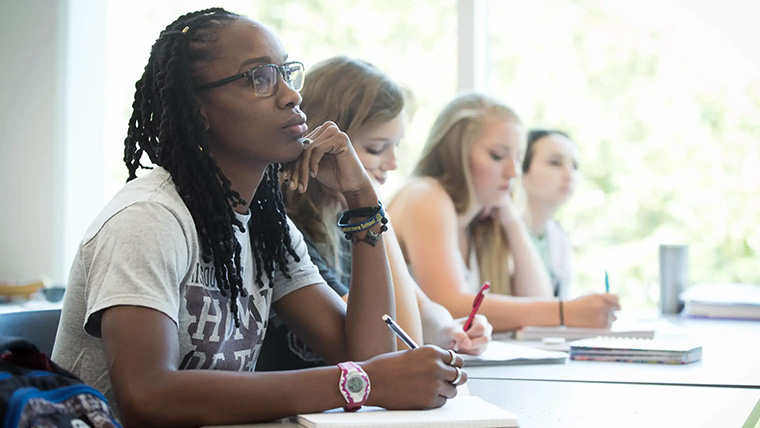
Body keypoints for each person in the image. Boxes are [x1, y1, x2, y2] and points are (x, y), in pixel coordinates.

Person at [51, 9, 465, 427]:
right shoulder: (149, 220)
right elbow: (147, 396)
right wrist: (359, 382)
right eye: (261, 78)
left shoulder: (268, 229)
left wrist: (361, 200)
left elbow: (367, 353)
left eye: (287, 73)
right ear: (199, 111)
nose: (291, 95)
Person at [257, 57, 491, 371]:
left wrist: (450, 330)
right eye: (376, 148)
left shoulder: (342, 213)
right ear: (326, 145)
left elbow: (421, 310)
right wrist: (369, 204)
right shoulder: (291, 227)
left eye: (395, 146)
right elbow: (398, 342)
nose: (392, 163)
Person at [388, 93, 620, 332]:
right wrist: (565, 312)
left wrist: (512, 223)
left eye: (518, 158)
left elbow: (539, 297)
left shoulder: (479, 221)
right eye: (497, 156)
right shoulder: (426, 196)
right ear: (455, 154)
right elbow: (449, 305)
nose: (513, 172)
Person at [521, 129, 578, 299]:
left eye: (575, 166)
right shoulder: (496, 231)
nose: (569, 175)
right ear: (520, 170)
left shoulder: (559, 237)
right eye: (555, 163)